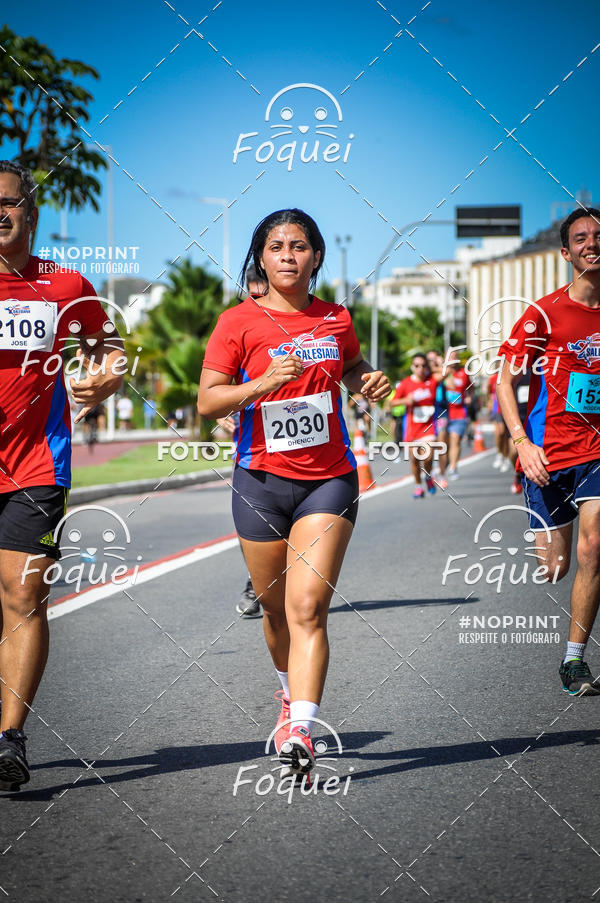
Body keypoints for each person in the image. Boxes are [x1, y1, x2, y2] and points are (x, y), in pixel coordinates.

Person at [197, 208, 389, 778]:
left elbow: (353, 365)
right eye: (276, 246)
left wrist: (367, 380)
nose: (287, 254)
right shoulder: (238, 323)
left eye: (299, 245)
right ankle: (287, 692)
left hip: (329, 478)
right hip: (259, 479)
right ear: (261, 257)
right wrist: (259, 385)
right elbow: (208, 400)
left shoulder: (335, 318)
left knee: (309, 607)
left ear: (316, 256)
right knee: (276, 611)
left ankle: (302, 728)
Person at [0, 160, 123, 787]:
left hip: (35, 467)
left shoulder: (64, 285)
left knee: (23, 596)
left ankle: (9, 739)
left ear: (31, 211)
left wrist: (102, 377)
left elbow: (109, 351)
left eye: (8, 202)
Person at [496, 206, 600, 696]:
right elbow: (505, 379)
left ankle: (574, 658)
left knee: (595, 546)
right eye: (580, 238)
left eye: (598, 236)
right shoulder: (544, 313)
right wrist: (521, 443)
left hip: (597, 449)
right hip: (549, 453)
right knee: (554, 568)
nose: (591, 243)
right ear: (566, 253)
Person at [390, 353, 438, 498]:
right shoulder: (406, 383)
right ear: (412, 367)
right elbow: (392, 403)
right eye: (417, 366)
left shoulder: (432, 381)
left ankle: (428, 476)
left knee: (428, 456)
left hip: (428, 427)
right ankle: (418, 486)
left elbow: (445, 372)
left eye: (423, 365)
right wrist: (406, 400)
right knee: (415, 460)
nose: (420, 369)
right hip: (412, 429)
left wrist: (435, 363)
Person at [444, 351, 470, 480]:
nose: (452, 359)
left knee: (455, 440)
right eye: (450, 357)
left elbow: (470, 387)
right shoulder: (441, 374)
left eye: (454, 356)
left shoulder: (464, 373)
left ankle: (453, 467)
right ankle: (446, 463)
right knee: (445, 442)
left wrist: (469, 397)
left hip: (459, 412)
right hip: (443, 413)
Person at [427, 349, 449, 488]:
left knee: (441, 445)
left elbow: (446, 373)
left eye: (435, 359)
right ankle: (429, 474)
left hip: (441, 411)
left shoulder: (439, 373)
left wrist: (440, 363)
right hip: (427, 414)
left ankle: (442, 475)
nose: (432, 362)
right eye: (429, 360)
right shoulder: (425, 375)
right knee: (429, 447)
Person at [488, 373, 511, 472]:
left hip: (508, 410)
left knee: (506, 435)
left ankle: (506, 456)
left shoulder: (509, 375)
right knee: (500, 432)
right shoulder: (493, 378)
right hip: (497, 410)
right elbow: (489, 392)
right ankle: (499, 453)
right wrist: (489, 403)